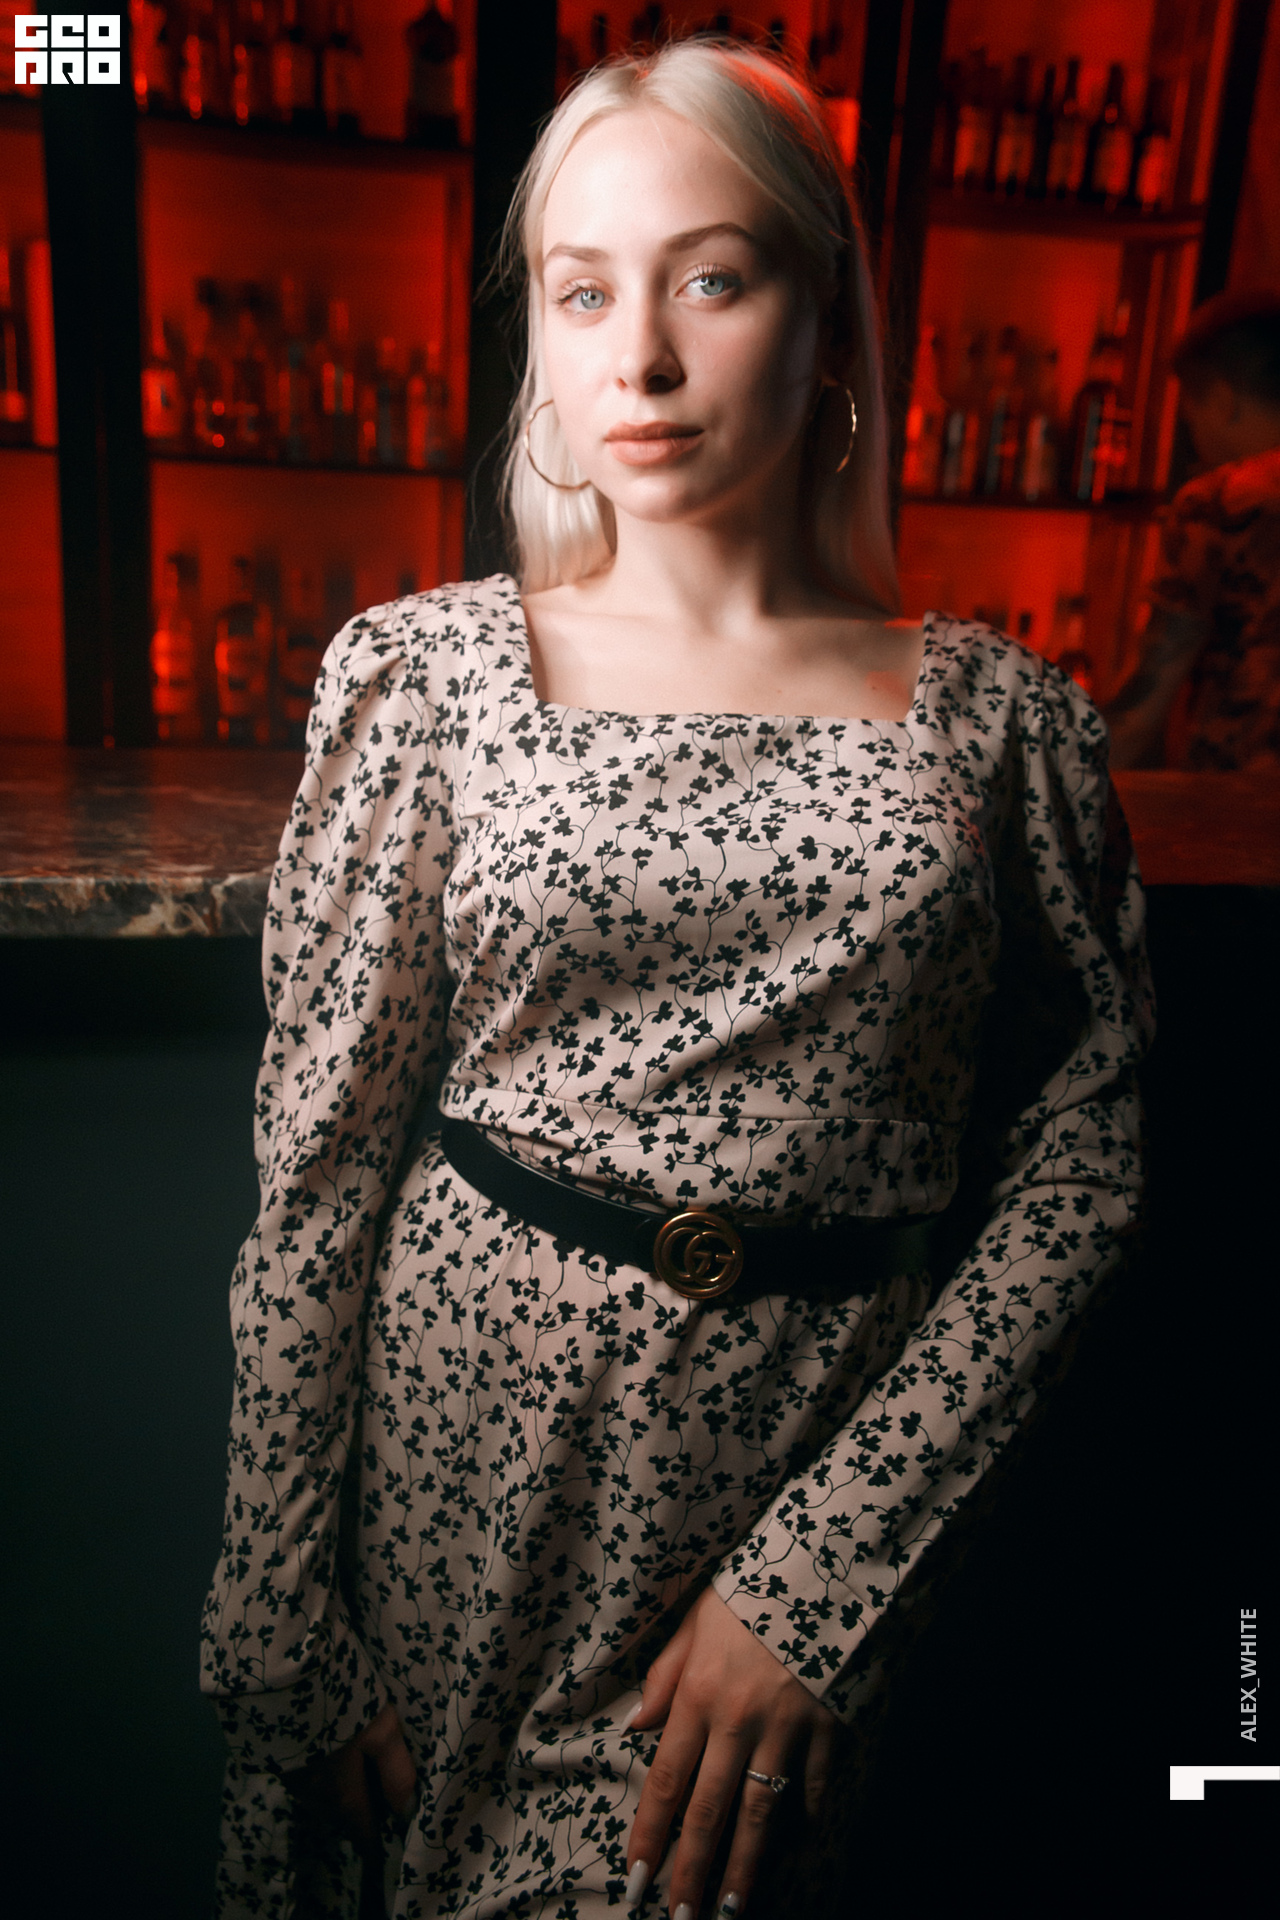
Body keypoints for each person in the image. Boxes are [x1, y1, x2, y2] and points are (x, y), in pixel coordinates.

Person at [200, 38, 1154, 1920]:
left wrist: (825, 1580)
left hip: (800, 1475)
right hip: (459, 1487)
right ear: (540, 348)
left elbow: (1084, 1166)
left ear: (831, 318)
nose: (638, 357)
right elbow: (317, 1169)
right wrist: (276, 1606)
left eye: (712, 280)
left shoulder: (1005, 726)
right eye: (583, 293)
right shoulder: (425, 678)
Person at [1105, 288, 1280, 770]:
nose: (1193, 435)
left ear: (1223, 400)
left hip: (1238, 790)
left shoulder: (1218, 504)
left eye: (1190, 415)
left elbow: (1148, 694)